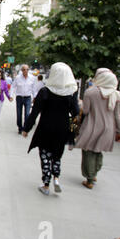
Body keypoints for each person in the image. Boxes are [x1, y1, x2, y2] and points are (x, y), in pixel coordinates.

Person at [22, 62, 79, 195]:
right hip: (63, 128)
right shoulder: (71, 93)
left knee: (45, 155)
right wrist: (73, 134)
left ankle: (46, 184)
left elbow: (34, 112)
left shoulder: (45, 92)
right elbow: (75, 114)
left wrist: (27, 128)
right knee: (57, 155)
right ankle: (56, 178)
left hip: (46, 127)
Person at [75, 68, 120, 189]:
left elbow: (85, 110)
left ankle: (89, 179)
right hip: (108, 128)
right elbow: (117, 116)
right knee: (98, 150)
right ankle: (94, 172)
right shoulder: (115, 94)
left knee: (88, 150)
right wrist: (119, 131)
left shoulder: (91, 92)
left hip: (91, 125)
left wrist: (80, 104)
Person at [10, 64, 37, 134]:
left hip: (28, 98)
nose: (26, 71)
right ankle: (20, 127)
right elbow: (13, 86)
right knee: (19, 114)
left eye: (27, 69)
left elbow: (34, 88)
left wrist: (35, 97)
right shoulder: (18, 78)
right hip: (19, 97)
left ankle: (25, 127)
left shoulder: (32, 78)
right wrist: (11, 96)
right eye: (24, 69)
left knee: (27, 114)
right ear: (21, 70)